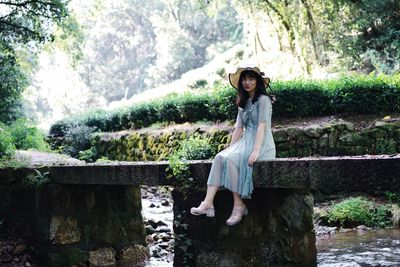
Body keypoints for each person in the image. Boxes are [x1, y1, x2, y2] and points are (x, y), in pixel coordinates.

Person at [190, 66, 276, 226]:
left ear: (258, 82)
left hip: (262, 142)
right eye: (244, 79)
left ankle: (239, 205)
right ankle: (208, 203)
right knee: (220, 157)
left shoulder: (263, 100)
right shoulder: (242, 102)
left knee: (230, 160)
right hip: (245, 141)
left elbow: (262, 126)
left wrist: (256, 150)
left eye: (251, 79)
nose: (247, 82)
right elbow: (238, 128)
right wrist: (230, 148)